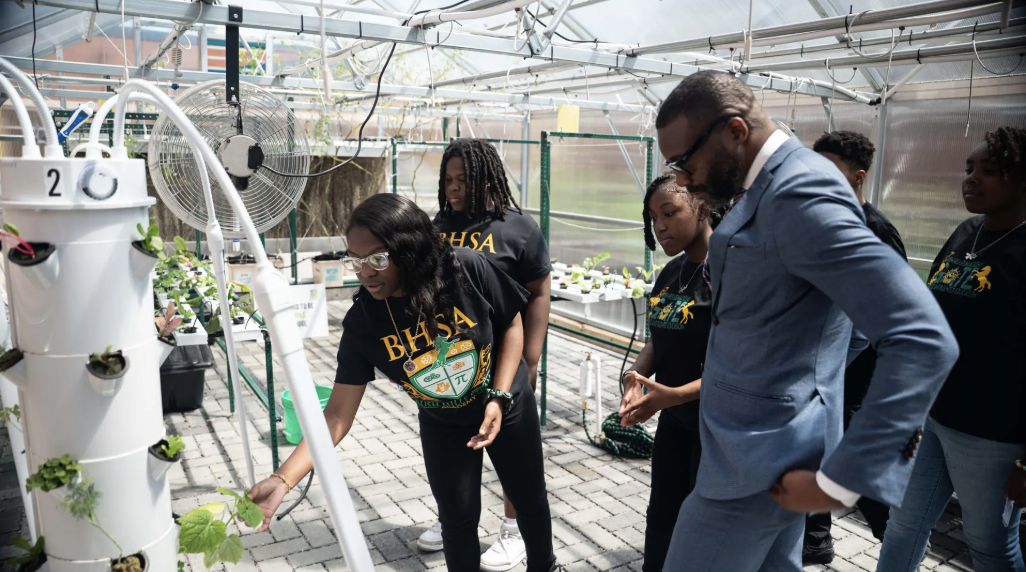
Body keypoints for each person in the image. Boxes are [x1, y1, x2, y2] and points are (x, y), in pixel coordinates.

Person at [653, 70, 958, 571]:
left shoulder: (798, 193)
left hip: (757, 466)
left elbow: (922, 336)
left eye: (684, 162)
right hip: (766, 460)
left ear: (734, 131)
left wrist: (840, 480)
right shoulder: (769, 187)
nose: (683, 179)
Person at [247, 194, 561, 572]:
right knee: (457, 521)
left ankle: (545, 566)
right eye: (355, 260)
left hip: (506, 404)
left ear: (409, 251)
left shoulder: (465, 269)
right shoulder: (364, 323)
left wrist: (498, 396)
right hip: (444, 424)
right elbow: (335, 418)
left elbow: (510, 322)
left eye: (377, 259)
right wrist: (283, 480)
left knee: (528, 499)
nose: (364, 273)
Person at [878, 126, 1026, 571]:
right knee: (903, 522)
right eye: (969, 168)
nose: (971, 178)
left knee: (988, 545)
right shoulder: (966, 231)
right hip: (932, 416)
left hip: (992, 436)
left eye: (990, 171)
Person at [424, 138, 552, 571]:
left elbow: (537, 293)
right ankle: (455, 522)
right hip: (454, 376)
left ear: (487, 179)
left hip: (505, 368)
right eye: (448, 180)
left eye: (463, 180)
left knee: (519, 474)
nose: (454, 188)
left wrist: (530, 359)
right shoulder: (437, 226)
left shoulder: (518, 229)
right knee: (456, 476)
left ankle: (513, 530)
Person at [800, 130, 907, 563]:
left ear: (858, 177)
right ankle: (817, 536)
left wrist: (835, 367)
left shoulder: (877, 232)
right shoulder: (821, 223)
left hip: (858, 372)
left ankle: (901, 540)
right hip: (827, 370)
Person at [616, 174, 718, 572]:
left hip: (716, 429)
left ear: (702, 210)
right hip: (675, 423)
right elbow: (661, 336)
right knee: (661, 517)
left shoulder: (727, 276)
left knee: (703, 526)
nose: (659, 226)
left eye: (670, 213)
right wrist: (636, 377)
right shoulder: (672, 272)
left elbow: (738, 367)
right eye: (653, 216)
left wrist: (670, 395)